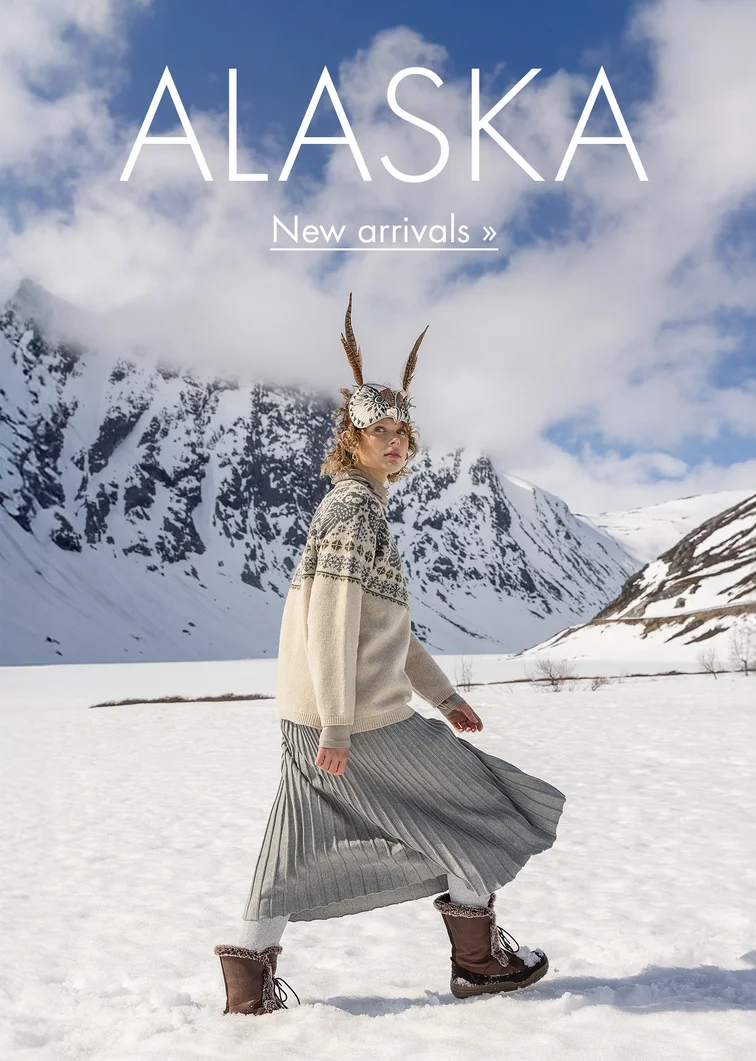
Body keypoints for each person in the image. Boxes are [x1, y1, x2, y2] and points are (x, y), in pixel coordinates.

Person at [214, 294, 566, 1015]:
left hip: (310, 716)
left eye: (404, 431)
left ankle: (248, 992)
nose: (397, 442)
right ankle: (479, 959)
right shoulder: (351, 510)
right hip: (354, 723)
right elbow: (335, 624)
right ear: (352, 437)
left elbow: (386, 631)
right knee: (493, 807)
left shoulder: (355, 504)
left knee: (293, 841)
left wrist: (443, 697)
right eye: (382, 430)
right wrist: (341, 725)